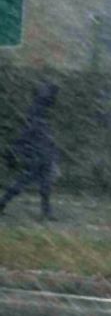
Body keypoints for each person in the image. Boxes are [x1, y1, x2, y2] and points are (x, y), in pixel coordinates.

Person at [1, 81, 60, 221]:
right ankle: (2, 203)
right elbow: (30, 130)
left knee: (41, 182)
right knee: (27, 181)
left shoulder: (40, 110)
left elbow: (33, 130)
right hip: (38, 151)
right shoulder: (37, 111)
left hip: (41, 151)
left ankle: (46, 212)